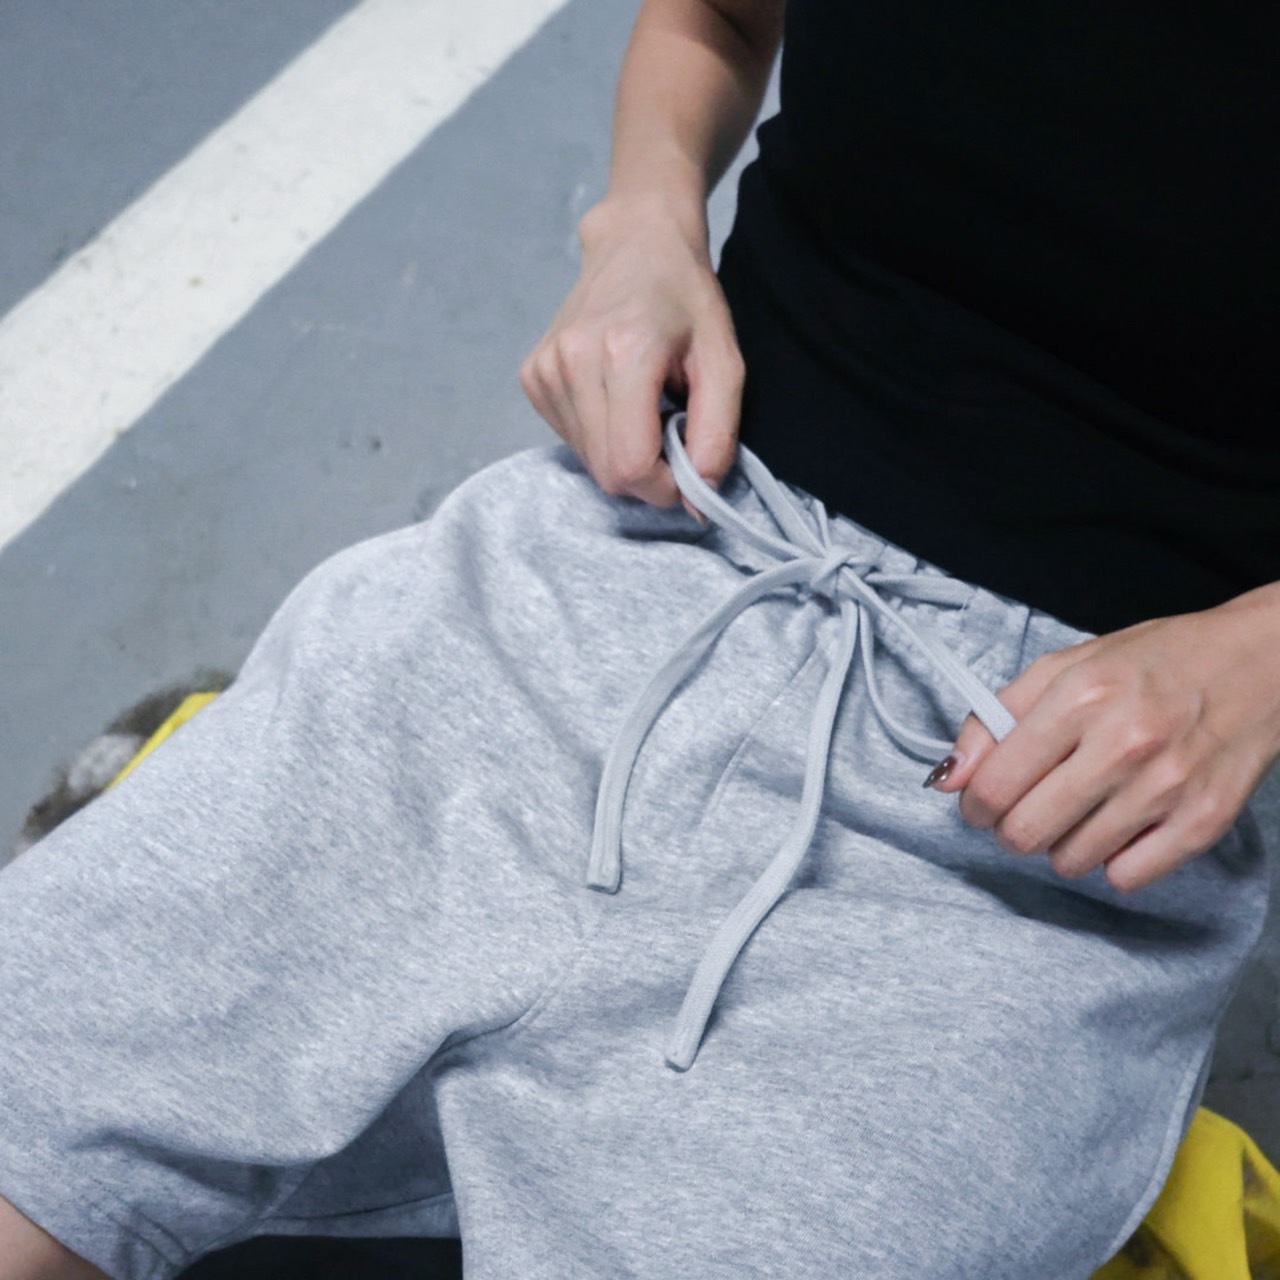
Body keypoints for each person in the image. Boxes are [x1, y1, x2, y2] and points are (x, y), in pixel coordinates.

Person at [3, 1, 1279, 1276]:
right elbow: (713, 17)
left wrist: (1250, 660)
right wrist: (643, 221)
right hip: (655, 537)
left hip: (1052, 780)